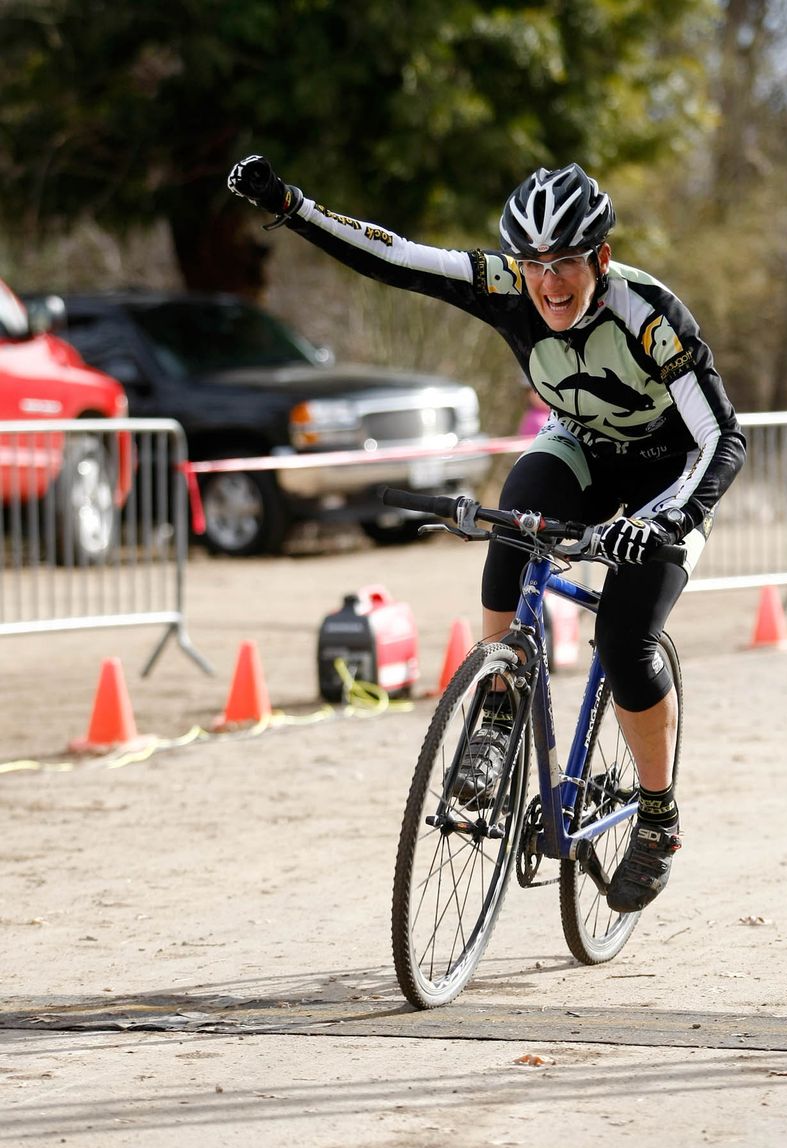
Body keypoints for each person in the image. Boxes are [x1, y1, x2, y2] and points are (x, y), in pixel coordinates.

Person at [228, 156, 746, 913]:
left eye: (567, 263)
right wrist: (294, 207)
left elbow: (721, 438)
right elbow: (397, 258)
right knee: (515, 514)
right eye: (535, 265)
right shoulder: (506, 286)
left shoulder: (650, 315)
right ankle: (499, 701)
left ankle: (660, 819)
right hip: (584, 451)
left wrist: (668, 519)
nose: (551, 284)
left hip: (671, 478)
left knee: (624, 640)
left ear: (600, 258)